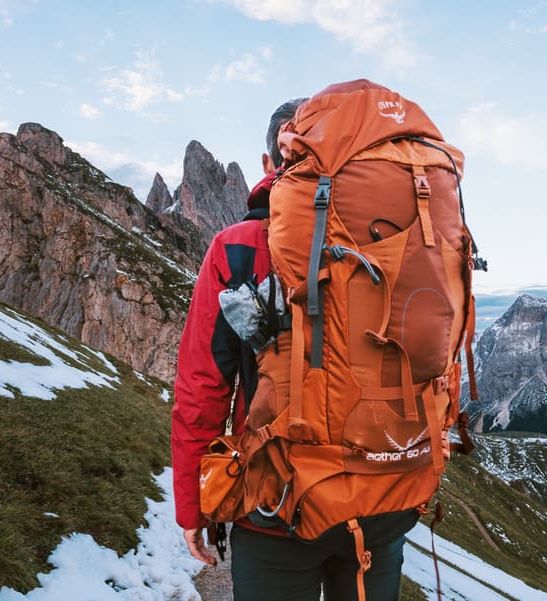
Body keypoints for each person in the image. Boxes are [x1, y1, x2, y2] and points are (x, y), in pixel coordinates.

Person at [172, 97, 417, 601]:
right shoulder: (399, 237)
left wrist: (193, 509)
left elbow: (202, 390)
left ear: (270, 164)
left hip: (275, 504)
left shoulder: (237, 246)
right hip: (380, 498)